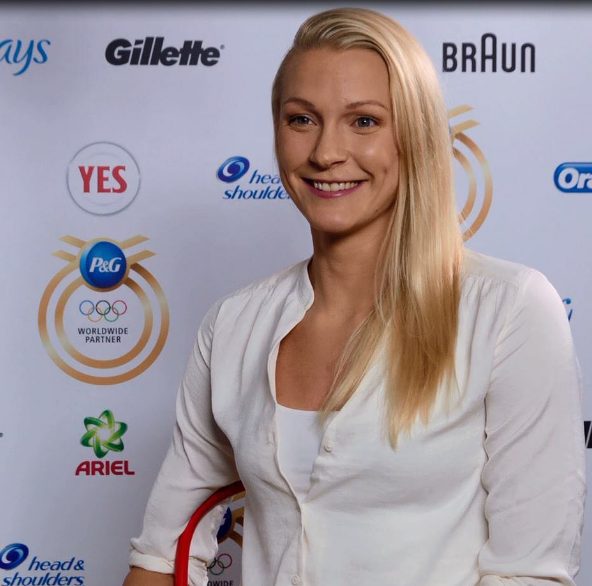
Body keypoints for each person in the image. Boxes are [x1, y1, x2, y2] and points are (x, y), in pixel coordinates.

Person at [123, 7, 586, 586]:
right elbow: (159, 556)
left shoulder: (509, 310)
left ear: (414, 135)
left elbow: (529, 573)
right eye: (301, 119)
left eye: (364, 121)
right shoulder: (234, 324)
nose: (326, 152)